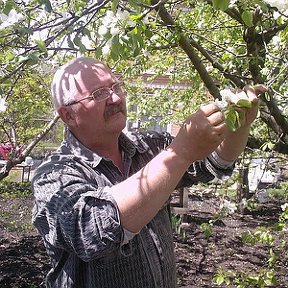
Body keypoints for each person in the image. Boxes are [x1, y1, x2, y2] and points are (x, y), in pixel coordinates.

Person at [32, 56, 266, 288]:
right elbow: (91, 231)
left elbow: (211, 163)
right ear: (69, 115)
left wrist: (239, 125)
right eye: (99, 94)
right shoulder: (53, 176)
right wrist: (181, 151)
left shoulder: (149, 148)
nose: (115, 97)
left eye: (115, 86)